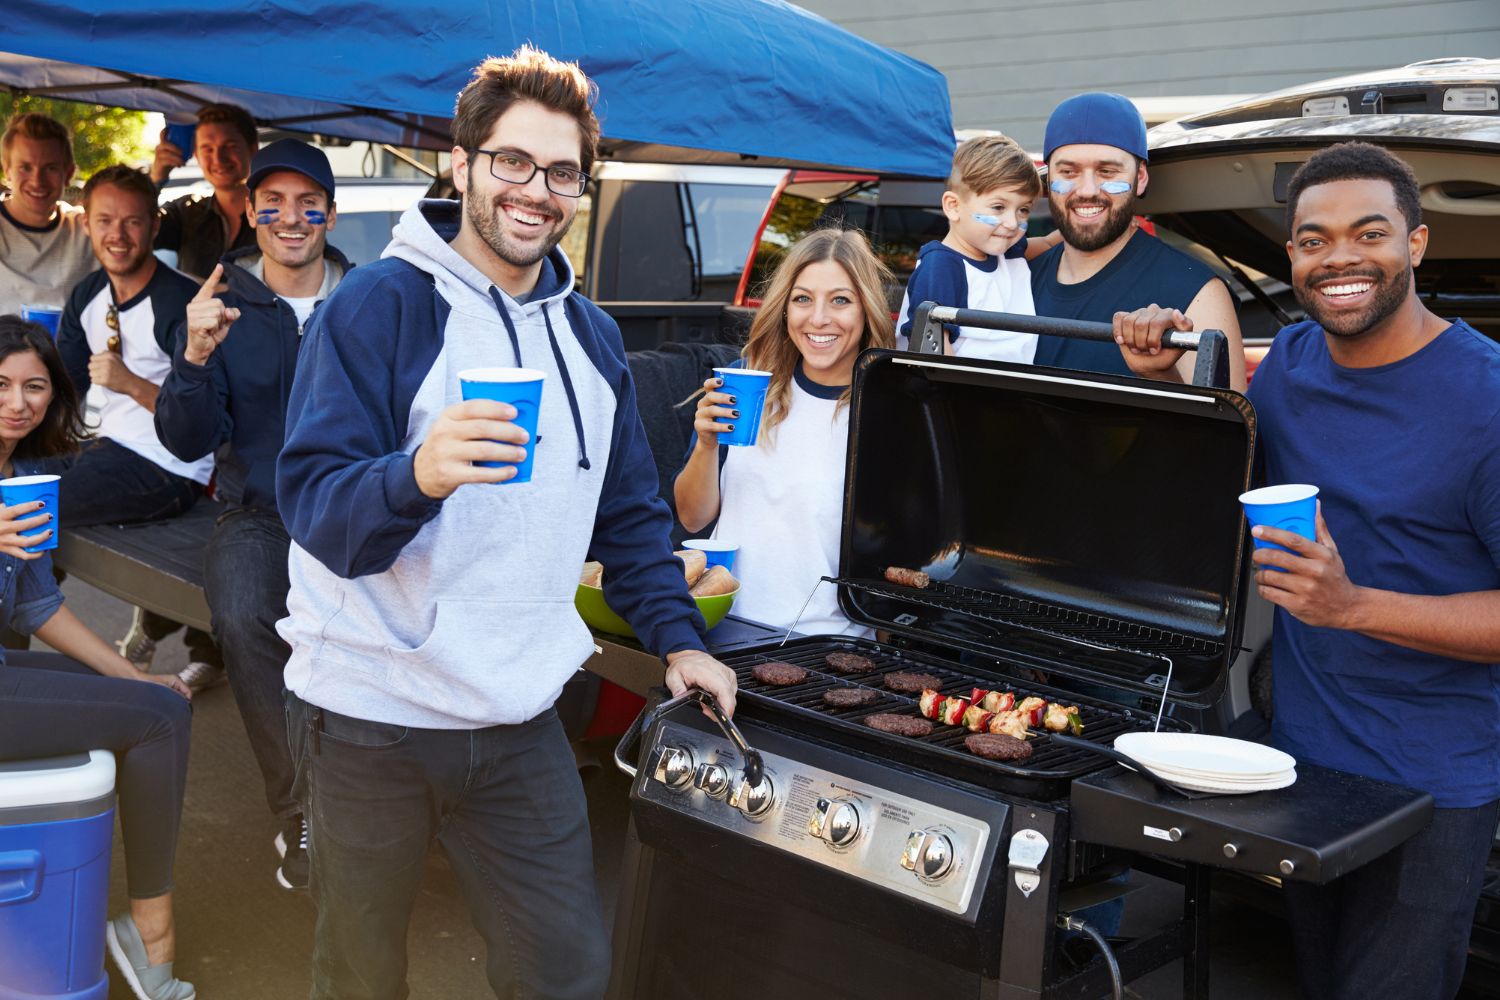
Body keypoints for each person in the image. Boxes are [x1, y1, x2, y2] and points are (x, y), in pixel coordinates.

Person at [274, 46, 736, 999]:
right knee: (359, 977)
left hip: (521, 715)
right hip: (372, 716)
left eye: (562, 171)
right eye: (513, 161)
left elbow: (633, 517)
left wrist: (678, 641)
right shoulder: (378, 306)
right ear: (465, 162)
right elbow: (320, 512)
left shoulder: (592, 336)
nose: (536, 190)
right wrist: (417, 475)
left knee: (566, 971)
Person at [1116, 141, 1500, 1000]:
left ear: (1418, 244)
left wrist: (1354, 605)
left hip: (1432, 785)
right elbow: (1232, 466)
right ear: (1291, 254)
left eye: (1370, 234)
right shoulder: (1289, 361)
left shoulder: (1487, 399)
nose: (1340, 259)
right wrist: (1166, 374)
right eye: (1314, 239)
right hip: (1304, 765)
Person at [154, 138, 348, 891]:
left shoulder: (369, 297)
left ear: (330, 211)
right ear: (253, 210)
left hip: (353, 510)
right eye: (275, 202)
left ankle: (391, 795)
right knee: (240, 612)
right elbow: (186, 439)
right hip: (258, 513)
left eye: (309, 203)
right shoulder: (220, 302)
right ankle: (301, 808)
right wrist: (195, 356)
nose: (291, 218)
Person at [0, 315, 194, 1000]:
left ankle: (144, 931)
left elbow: (34, 607)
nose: (18, 402)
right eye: (1, 385)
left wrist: (136, 675)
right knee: (159, 724)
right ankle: (152, 937)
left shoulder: (19, 474)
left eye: (35, 387)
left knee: (161, 705)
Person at [676, 228, 894, 634]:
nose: (818, 318)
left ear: (867, 309)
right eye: (802, 299)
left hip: (827, 643)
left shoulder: (888, 409)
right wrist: (706, 444)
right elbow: (692, 519)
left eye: (841, 300)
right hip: (724, 626)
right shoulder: (748, 387)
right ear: (784, 308)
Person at [46, 165, 219, 671]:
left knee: (33, 508)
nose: (117, 235)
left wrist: (128, 383)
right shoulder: (88, 294)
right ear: (87, 225)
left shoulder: (181, 302)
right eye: (104, 221)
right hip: (105, 447)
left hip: (170, 467)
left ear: (154, 225)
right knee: (19, 488)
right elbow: (64, 391)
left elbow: (201, 420)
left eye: (132, 222)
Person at [1028, 92, 1247, 392]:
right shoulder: (1018, 278)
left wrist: (1159, 374)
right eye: (1069, 172)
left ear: (1140, 178)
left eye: (1107, 171)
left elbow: (1228, 434)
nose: (1087, 190)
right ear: (1049, 179)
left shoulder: (1198, 293)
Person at [896, 134, 1057, 360]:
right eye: (998, 207)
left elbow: (1049, 242)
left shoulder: (1007, 252)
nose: (1012, 223)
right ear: (953, 206)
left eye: (1023, 210)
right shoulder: (942, 266)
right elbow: (934, 351)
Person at [149, 103, 259, 280]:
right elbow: (137, 233)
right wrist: (155, 178)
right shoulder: (185, 211)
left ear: (253, 149)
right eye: (207, 148)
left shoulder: (273, 215)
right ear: (196, 155)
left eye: (230, 146)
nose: (218, 158)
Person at [0, 113, 95, 315]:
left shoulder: (87, 230)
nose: (37, 181)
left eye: (50, 168)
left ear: (68, 173)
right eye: (25, 167)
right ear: (7, 170)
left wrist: (157, 179)